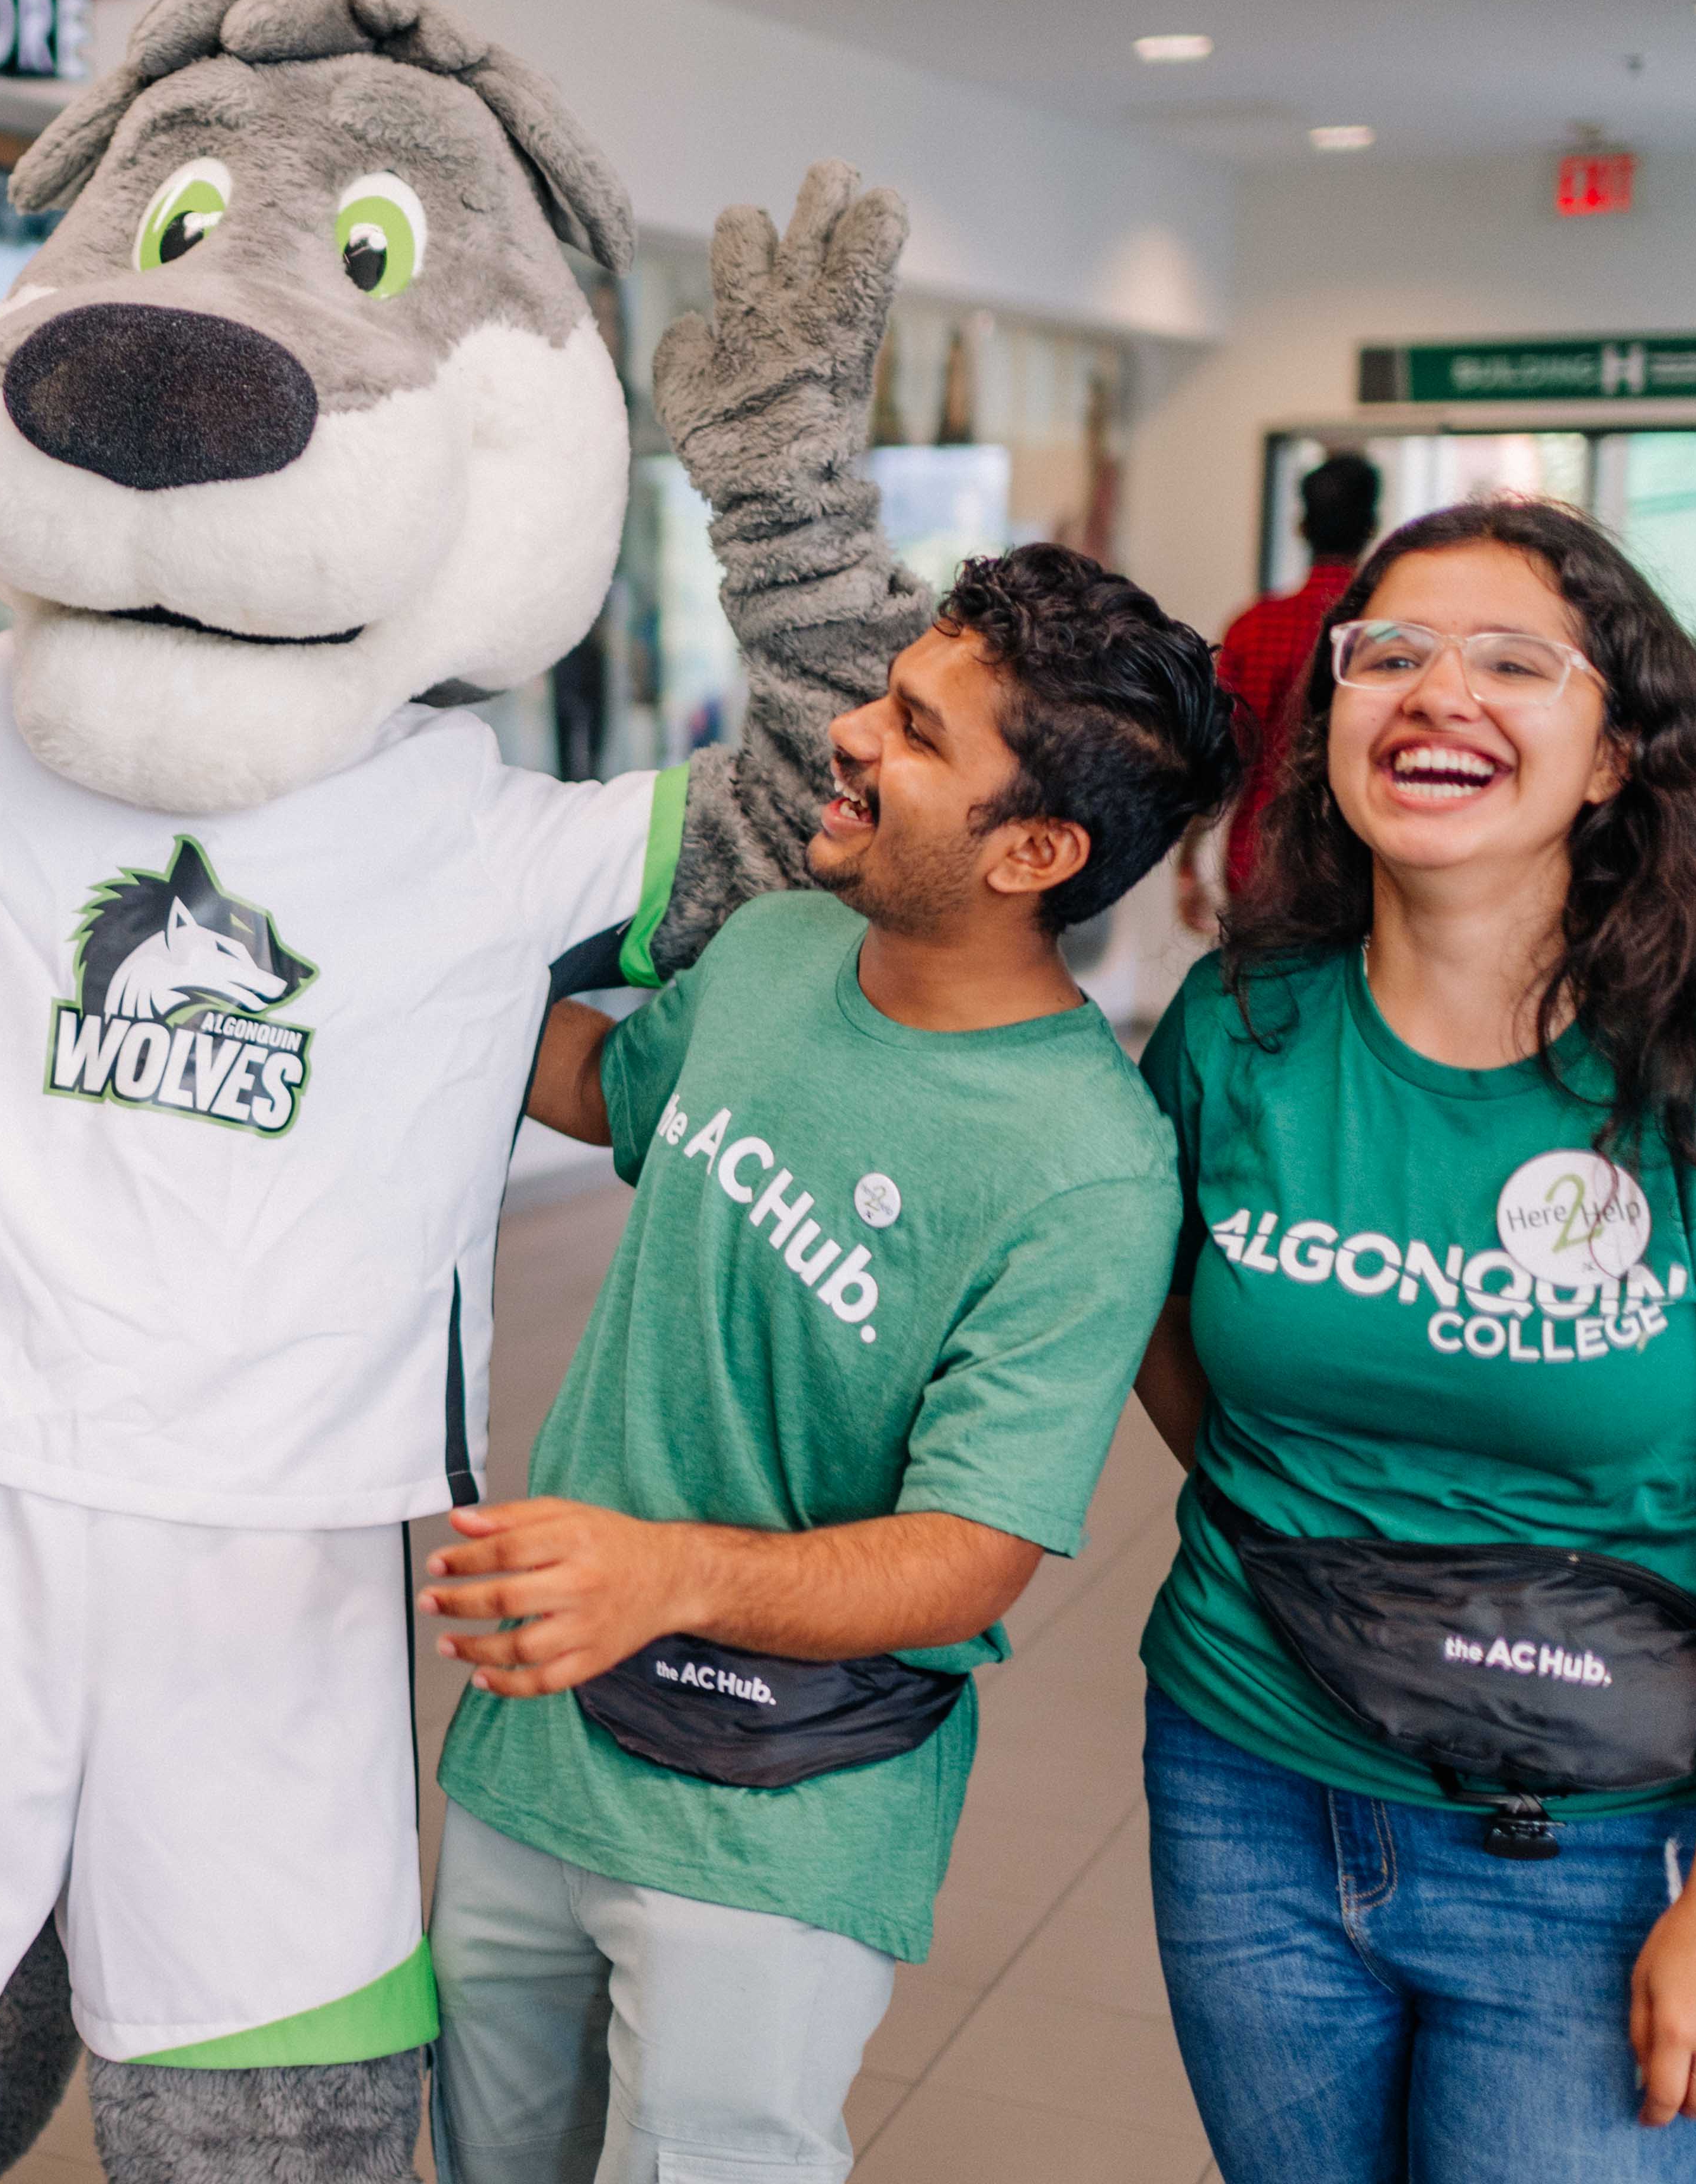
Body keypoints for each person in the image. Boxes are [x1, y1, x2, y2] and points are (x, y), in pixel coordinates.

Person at [425, 544, 1244, 2184]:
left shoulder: (1086, 1166)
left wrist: (655, 1572)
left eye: (919, 733)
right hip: (537, 1739)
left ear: (1036, 850)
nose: (854, 735)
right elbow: (607, 1090)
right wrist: (389, 962)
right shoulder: (781, 945)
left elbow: (964, 1559)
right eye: (889, 693)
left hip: (779, 1821)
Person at [1132, 499, 1696, 2183]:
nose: (1437, 694)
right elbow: (1150, 1304)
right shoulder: (1238, 1023)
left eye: (1511, 662)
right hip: (1246, 1782)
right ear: (1331, 716)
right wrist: (1336, 1527)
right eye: (1390, 657)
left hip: (1599, 1836)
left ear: (1611, 759)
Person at [1182, 448, 1380, 929]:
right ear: (1373, 527)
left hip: (1258, 855)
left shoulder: (1254, 626)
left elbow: (1223, 755)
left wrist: (1188, 859)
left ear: (1301, 527)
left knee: (1262, 995)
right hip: (1363, 859)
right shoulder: (1384, 632)